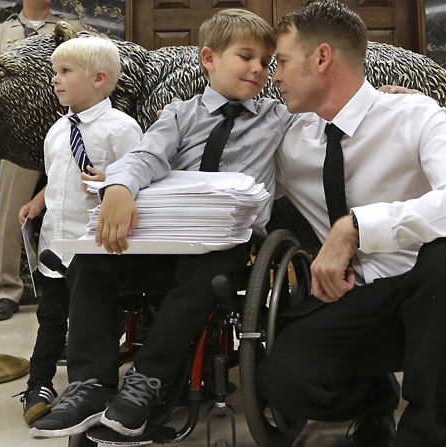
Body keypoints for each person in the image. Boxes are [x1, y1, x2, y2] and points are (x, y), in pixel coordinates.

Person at [28, 9, 294, 439]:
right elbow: (146, 155)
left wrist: (394, 96)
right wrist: (119, 187)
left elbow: (328, 120)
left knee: (204, 273)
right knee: (91, 262)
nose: (258, 68)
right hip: (165, 240)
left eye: (266, 62)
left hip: (227, 251)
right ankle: (90, 384)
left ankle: (146, 382)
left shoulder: (277, 119)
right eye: (246, 56)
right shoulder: (180, 115)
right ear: (209, 58)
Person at [259, 2, 446, 447]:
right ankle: (375, 399)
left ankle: (428, 436)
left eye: (282, 61)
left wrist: (357, 226)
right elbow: (237, 187)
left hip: (431, 296)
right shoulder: (290, 142)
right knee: (284, 382)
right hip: (353, 301)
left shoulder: (414, 115)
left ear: (322, 58)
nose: (274, 75)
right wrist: (177, 128)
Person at [14, 36, 143, 426]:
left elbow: (138, 181)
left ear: (99, 78)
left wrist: (112, 182)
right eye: (55, 72)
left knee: (93, 316)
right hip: (56, 243)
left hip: (96, 250)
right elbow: (58, 178)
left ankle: (90, 383)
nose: (55, 80)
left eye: (65, 72)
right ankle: (39, 383)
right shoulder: (57, 130)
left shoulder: (121, 129)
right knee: (50, 317)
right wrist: (37, 203)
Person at [0, 0, 95, 321]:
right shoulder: (3, 31)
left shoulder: (71, 28)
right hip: (18, 133)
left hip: (65, 128)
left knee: (78, 204)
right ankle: (7, 290)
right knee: (11, 212)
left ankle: (77, 281)